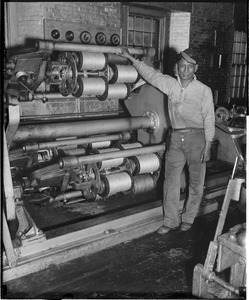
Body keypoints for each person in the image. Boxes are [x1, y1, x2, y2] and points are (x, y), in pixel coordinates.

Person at [118, 46, 215, 234]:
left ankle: (188, 218)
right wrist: (130, 57)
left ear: (196, 68)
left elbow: (209, 118)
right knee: (170, 181)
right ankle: (170, 221)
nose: (186, 70)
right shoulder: (170, 84)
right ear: (176, 68)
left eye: (190, 67)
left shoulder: (204, 91)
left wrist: (208, 145)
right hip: (176, 138)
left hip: (198, 138)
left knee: (196, 182)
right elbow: (150, 74)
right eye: (182, 66)